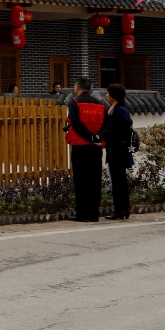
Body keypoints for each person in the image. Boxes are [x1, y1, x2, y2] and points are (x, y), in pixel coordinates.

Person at [64, 76, 106, 222]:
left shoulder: (74, 102)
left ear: (77, 87)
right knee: (95, 180)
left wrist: (89, 137)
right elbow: (107, 125)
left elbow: (75, 123)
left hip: (80, 146)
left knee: (81, 180)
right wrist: (98, 137)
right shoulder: (101, 104)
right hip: (96, 148)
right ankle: (94, 213)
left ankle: (82, 213)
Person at [101, 84, 134, 220]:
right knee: (120, 179)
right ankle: (124, 208)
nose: (106, 95)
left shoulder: (118, 110)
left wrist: (107, 137)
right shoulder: (120, 107)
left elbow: (119, 128)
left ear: (114, 96)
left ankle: (120, 209)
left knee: (117, 179)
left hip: (117, 149)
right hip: (118, 148)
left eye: (108, 93)